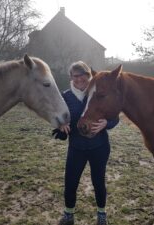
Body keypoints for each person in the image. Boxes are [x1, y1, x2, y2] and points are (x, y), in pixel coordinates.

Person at [53, 61, 119, 225]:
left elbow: (115, 117)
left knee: (98, 182)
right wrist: (61, 125)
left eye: (83, 75)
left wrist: (106, 124)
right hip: (77, 148)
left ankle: (102, 214)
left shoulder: (97, 91)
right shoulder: (66, 96)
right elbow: (58, 118)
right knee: (70, 182)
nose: (80, 79)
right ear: (71, 77)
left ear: (89, 76)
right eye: (76, 76)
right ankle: (68, 214)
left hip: (99, 147)